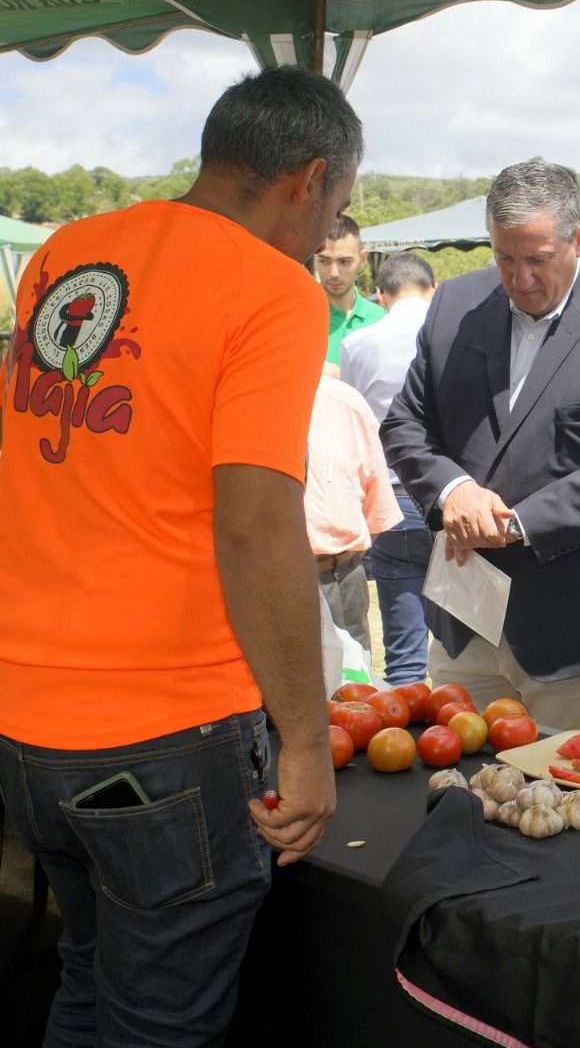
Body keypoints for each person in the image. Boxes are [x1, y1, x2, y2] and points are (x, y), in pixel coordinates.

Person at [0, 65, 358, 1045]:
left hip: (27, 724)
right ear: (308, 178)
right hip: (161, 737)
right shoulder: (275, 292)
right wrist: (304, 738)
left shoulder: (71, 249)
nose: (331, 235)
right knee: (162, 1020)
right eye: (339, 208)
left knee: (88, 975)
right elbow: (252, 524)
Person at [383, 160, 580, 740]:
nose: (519, 279)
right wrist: (453, 490)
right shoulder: (454, 307)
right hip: (464, 616)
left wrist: (517, 524)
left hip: (576, 631)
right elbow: (405, 423)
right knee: (459, 791)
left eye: (538, 259)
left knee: (569, 799)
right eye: (504, 257)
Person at [339, 252, 437, 684]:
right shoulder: (452, 336)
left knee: (405, 658)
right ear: (431, 289)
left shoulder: (357, 344)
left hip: (391, 504)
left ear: (381, 295)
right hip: (447, 500)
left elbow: (353, 423)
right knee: (468, 656)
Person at [305, 373, 401, 654]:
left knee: (351, 688)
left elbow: (375, 506)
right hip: (261, 582)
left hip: (339, 578)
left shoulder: (344, 401)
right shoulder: (234, 397)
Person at [316, 213, 384, 372]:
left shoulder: (382, 319)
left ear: (362, 259)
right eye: (324, 261)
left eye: (344, 262)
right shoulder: (299, 318)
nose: (334, 272)